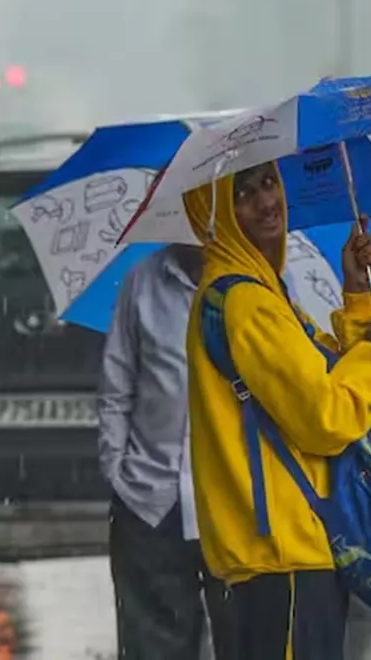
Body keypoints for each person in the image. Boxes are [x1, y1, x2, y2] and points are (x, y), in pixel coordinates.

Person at [182, 159, 371, 660]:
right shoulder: (247, 303)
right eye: (242, 194)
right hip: (280, 553)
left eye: (269, 182)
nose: (267, 200)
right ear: (212, 213)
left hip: (272, 553)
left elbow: (322, 370)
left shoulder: (259, 293)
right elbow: (327, 419)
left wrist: (355, 294)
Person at [98, 243, 236, 660]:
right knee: (153, 645)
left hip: (236, 501)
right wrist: (117, 471)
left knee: (247, 641)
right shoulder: (143, 280)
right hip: (151, 498)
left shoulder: (260, 284)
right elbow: (117, 383)